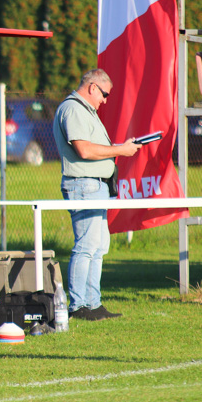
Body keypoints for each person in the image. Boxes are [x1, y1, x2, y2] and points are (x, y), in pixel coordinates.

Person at [52, 69, 141, 321]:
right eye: (104, 94)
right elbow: (84, 149)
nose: (105, 100)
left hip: (95, 185)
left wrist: (120, 149)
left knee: (99, 246)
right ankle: (78, 305)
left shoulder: (85, 110)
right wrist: (120, 150)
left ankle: (93, 303)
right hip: (83, 184)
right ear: (92, 87)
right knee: (86, 246)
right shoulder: (74, 109)